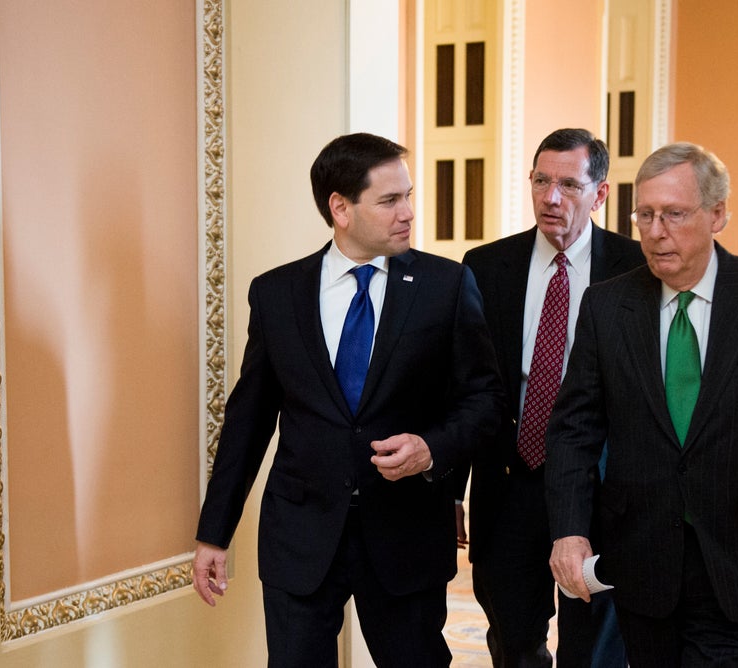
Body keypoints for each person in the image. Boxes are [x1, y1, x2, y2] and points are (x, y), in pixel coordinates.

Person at [545, 141, 738, 667]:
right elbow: (574, 429)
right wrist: (569, 530)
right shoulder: (606, 305)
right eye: (644, 215)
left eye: (673, 214)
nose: (654, 231)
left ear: (718, 215)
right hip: (640, 559)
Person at [192, 132, 504, 668]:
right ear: (340, 208)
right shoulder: (276, 294)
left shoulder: (445, 285)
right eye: (390, 200)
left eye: (408, 194)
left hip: (406, 538)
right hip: (301, 537)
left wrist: (431, 448)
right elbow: (248, 421)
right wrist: (213, 533)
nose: (408, 212)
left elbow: (485, 399)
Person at [459, 128, 644, 667]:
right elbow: (467, 385)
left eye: (568, 183)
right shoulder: (487, 265)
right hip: (509, 483)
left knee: (595, 649)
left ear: (601, 193)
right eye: (541, 181)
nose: (551, 197)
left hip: (601, 487)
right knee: (513, 642)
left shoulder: (637, 269)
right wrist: (451, 490)